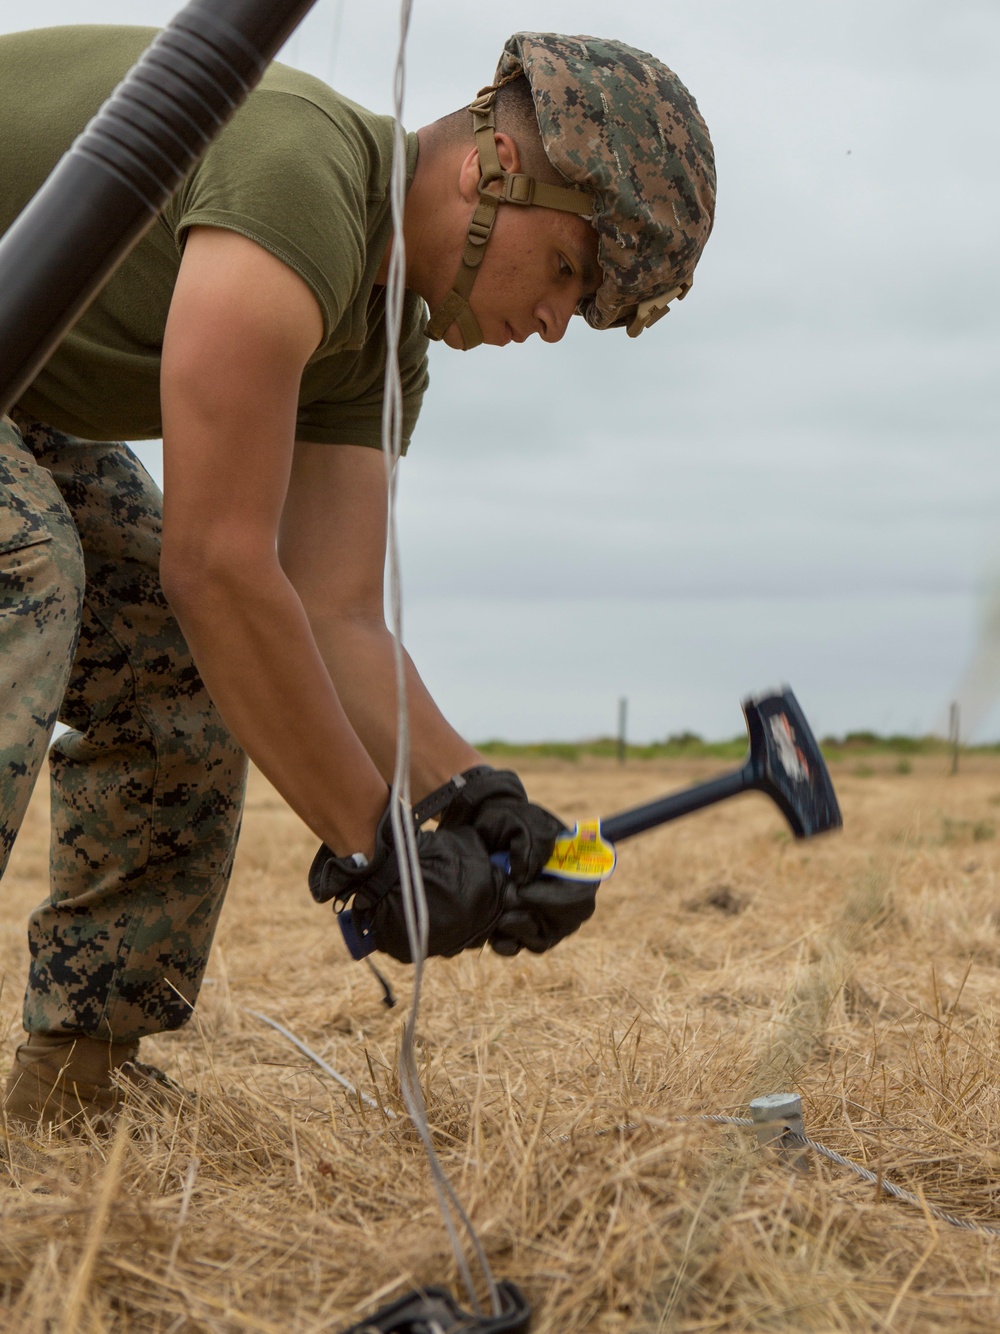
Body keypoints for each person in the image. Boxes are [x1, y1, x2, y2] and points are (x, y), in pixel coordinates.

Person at [0, 25, 715, 1128]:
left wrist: (479, 802)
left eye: (593, 310)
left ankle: (74, 1083)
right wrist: (374, 851)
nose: (557, 324)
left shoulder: (380, 339)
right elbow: (220, 564)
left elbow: (331, 612)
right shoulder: (300, 175)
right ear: (493, 171)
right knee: (25, 561)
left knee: (168, 654)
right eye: (571, 271)